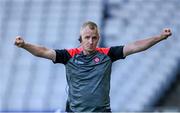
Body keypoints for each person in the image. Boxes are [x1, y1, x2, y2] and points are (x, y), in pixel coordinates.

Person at [14, 21, 172, 112]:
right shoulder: (69, 55)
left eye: (94, 38)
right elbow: (44, 51)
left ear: (99, 38)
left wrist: (160, 37)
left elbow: (134, 46)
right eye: (87, 37)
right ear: (80, 38)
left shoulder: (107, 54)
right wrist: (24, 45)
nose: (91, 41)